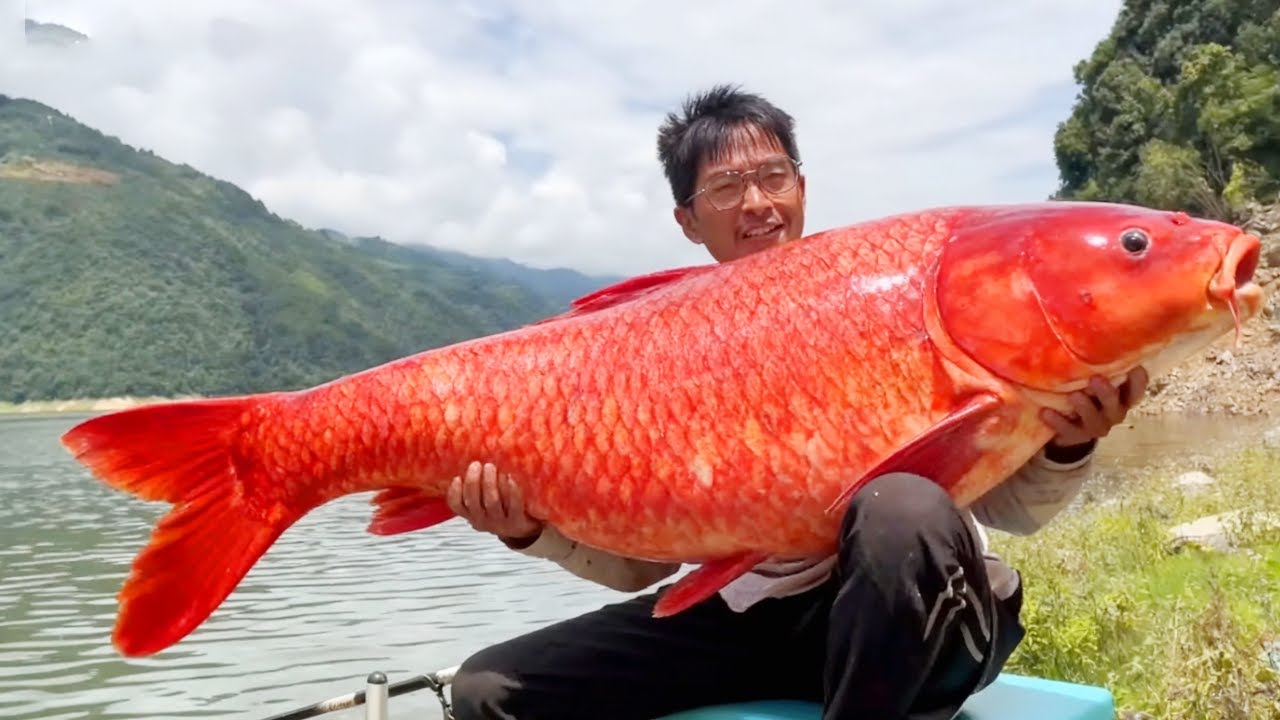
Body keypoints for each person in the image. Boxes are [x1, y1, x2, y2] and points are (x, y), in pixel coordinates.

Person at [444, 84, 1147, 720]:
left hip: (918, 619)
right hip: (752, 621)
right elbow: (643, 565)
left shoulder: (887, 303)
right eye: (726, 187)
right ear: (687, 220)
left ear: (802, 188)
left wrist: (1067, 443)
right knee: (485, 693)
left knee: (901, 508)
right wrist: (528, 528)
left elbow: (1013, 512)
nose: (757, 203)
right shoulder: (660, 355)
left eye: (772, 177)